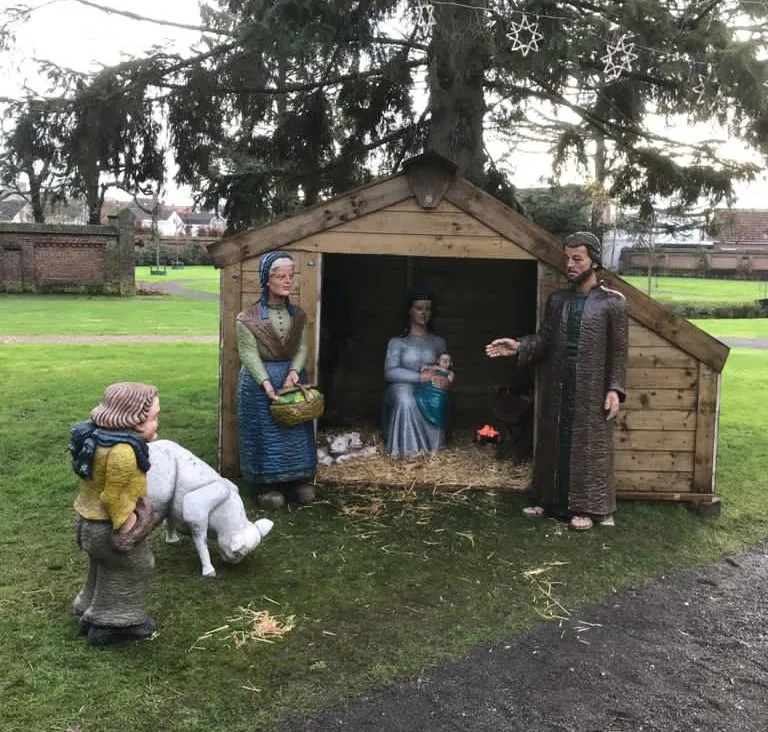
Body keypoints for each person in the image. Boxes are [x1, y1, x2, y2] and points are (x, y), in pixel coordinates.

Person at [485, 232, 628, 531]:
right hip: (559, 386)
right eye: (568, 258)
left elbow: (618, 351)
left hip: (590, 389)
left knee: (589, 448)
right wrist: (520, 345)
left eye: (578, 259)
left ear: (595, 261)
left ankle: (588, 508)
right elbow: (546, 340)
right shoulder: (558, 301)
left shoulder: (612, 303)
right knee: (553, 443)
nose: (571, 265)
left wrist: (615, 389)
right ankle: (548, 500)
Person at [69, 382, 160, 646]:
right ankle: (113, 623)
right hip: (108, 525)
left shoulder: (97, 440)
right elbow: (113, 497)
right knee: (133, 566)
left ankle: (87, 605)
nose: (157, 423)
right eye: (153, 418)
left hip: (88, 522)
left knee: (103, 566)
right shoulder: (123, 452)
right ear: (134, 420)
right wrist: (128, 527)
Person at [236, 251, 316, 508]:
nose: (286, 281)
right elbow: (248, 353)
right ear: (266, 280)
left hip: (290, 379)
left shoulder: (298, 316)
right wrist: (267, 384)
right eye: (280, 276)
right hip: (260, 384)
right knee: (264, 432)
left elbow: (303, 347)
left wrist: (294, 372)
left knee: (294, 430)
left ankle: (298, 479)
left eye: (290, 276)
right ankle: (266, 485)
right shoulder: (247, 318)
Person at [382, 290, 452, 457]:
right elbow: (390, 372)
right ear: (410, 311)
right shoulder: (397, 342)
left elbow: (445, 368)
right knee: (406, 399)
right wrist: (419, 377)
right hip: (401, 385)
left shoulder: (438, 342)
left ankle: (434, 447)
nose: (424, 313)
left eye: (428, 309)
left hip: (429, 387)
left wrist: (445, 380)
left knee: (437, 396)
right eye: (419, 308)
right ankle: (409, 451)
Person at [414, 352, 455, 428]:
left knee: (439, 403)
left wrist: (438, 368)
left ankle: (436, 422)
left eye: (447, 360)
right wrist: (426, 369)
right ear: (438, 361)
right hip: (427, 391)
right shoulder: (432, 369)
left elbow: (450, 380)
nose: (445, 361)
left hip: (439, 394)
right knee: (418, 397)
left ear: (451, 363)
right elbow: (423, 374)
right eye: (443, 359)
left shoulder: (450, 373)